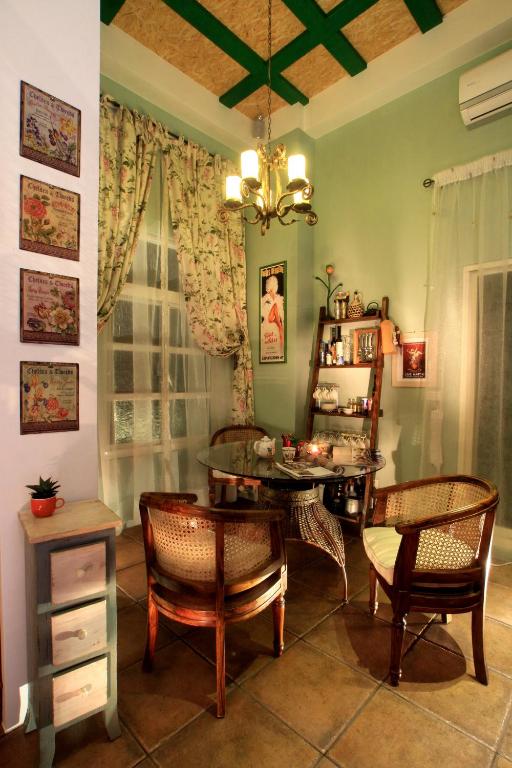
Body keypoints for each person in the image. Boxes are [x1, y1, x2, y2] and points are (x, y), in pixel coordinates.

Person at [261, 274, 284, 357]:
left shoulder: (280, 298)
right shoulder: (264, 299)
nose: (272, 290)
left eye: (274, 286)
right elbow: (264, 314)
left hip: (277, 325)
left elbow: (282, 314)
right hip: (268, 326)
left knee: (279, 346)